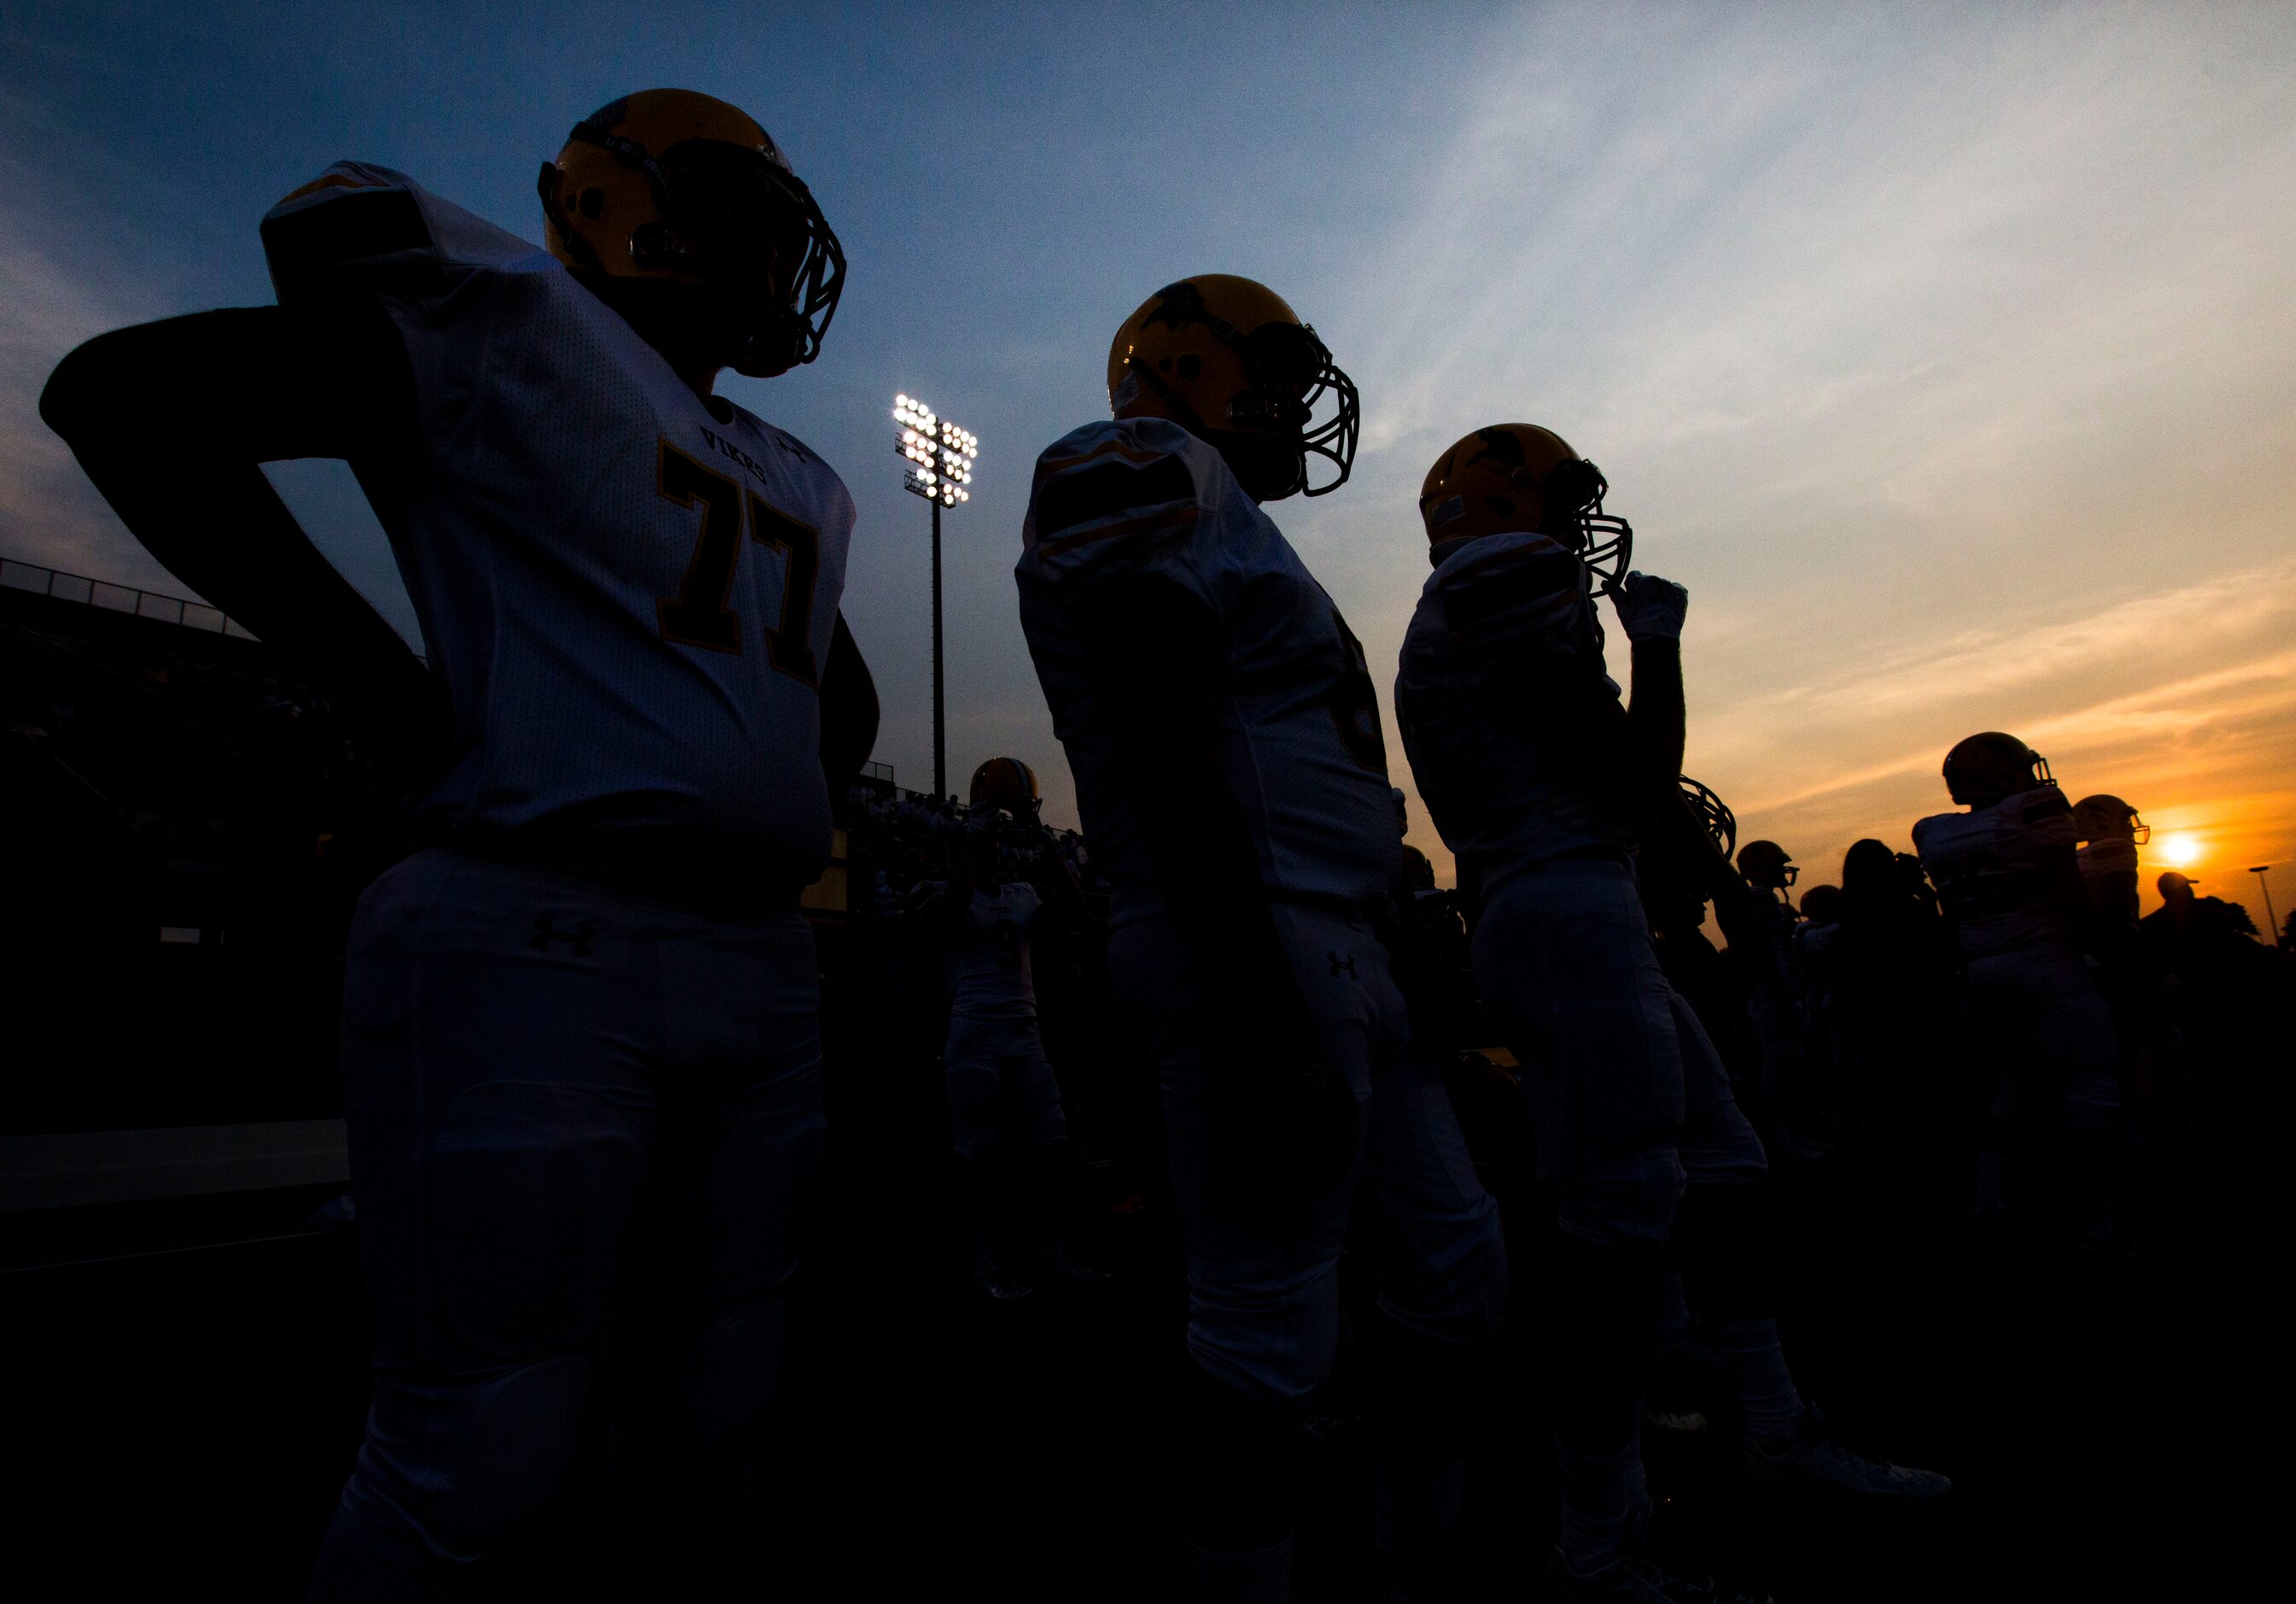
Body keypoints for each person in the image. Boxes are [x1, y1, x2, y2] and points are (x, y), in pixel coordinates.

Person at [46, 89, 876, 1598]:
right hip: (540, 935)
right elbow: (127, 393)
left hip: (750, 963)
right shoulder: (517, 326)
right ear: (610, 204)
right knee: (474, 1449)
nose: (764, 252)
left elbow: (845, 691)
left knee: (716, 1410)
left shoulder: (791, 470)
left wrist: (753, 780)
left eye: (772, 226)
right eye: (737, 211)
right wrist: (389, 696)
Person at [1396, 422, 1948, 1603]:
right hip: (1557, 908)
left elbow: (1623, 796)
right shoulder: (1497, 574)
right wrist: (1659, 645)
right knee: (1615, 1235)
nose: (1580, 523)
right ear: (1504, 501)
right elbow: (1639, 775)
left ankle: (1770, 1424)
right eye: (1561, 496)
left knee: (1726, 1161)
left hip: (1569, 899)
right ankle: (1598, 1540)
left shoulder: (1485, 599)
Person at [1015, 276, 1505, 1602]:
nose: (1296, 403)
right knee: (1261, 1332)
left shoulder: (1237, 526)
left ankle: (1415, 1559)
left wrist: (1401, 912)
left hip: (1336, 932)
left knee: (1454, 1270)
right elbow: (1170, 752)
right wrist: (1255, 999)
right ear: (1185, 363)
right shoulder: (1137, 460)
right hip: (1252, 933)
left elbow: (1295, 765)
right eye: (1275, 370)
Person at [1913, 733, 2121, 1244]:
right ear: (2005, 771)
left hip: (1984, 968)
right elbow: (2066, 886)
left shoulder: (1934, 831)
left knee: (2015, 1089)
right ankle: (2098, 1222)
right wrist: (2118, 959)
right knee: (2090, 1089)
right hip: (2047, 959)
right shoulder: (2034, 806)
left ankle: (1987, 1202)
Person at [914, 756, 1107, 1299]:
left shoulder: (1021, 896)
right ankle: (980, 1267)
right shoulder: (942, 892)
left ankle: (1051, 1256)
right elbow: (949, 918)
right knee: (972, 1158)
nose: (999, 852)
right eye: (989, 845)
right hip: (973, 1032)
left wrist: (1050, 850)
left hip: (1025, 1033)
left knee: (1052, 1148)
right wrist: (974, 840)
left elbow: (1078, 914)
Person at [2072, 793, 2148, 926]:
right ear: (2102, 825)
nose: (2131, 827)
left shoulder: (2083, 861)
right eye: (2125, 821)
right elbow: (2119, 915)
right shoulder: (2114, 853)